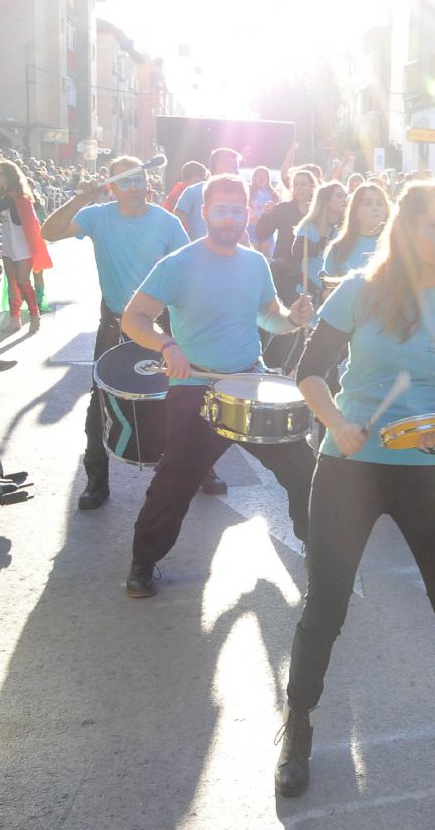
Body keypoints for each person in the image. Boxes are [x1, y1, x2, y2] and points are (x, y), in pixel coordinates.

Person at [274, 181, 435, 797]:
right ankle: (297, 722)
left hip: (424, 470)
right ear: (405, 231)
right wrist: (339, 425)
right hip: (349, 466)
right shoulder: (359, 291)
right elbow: (308, 370)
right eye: (433, 225)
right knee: (326, 604)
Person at [119, 175, 317, 598]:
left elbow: (269, 317)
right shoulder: (178, 264)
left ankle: (318, 550)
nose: (230, 218)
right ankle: (143, 561)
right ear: (205, 213)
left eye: (238, 210)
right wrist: (166, 343)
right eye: (221, 210)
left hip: (251, 380)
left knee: (304, 469)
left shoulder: (255, 262)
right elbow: (133, 319)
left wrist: (293, 320)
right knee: (174, 482)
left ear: (247, 213)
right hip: (197, 388)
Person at [39, 157, 194, 510]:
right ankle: (96, 477)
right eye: (126, 182)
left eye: (139, 179)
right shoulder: (97, 216)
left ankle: (197, 468)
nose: (136, 187)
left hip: (159, 322)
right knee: (100, 397)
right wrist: (83, 197)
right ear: (111, 188)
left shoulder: (167, 223)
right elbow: (48, 233)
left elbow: (189, 272)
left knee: (183, 393)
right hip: (113, 318)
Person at [0, 160, 52, 332]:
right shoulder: (4, 195)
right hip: (9, 246)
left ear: (10, 175)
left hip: (23, 247)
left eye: (0, 173)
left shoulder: (17, 196)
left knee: (23, 282)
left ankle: (34, 315)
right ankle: (15, 319)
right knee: (13, 283)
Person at [256, 168, 318, 303]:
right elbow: (261, 234)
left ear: (312, 187)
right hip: (282, 270)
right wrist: (266, 215)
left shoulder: (318, 213)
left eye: (303, 184)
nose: (299, 188)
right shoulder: (283, 209)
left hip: (310, 274)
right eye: (295, 184)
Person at [291, 181, 347, 299]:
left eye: (345, 196)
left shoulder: (347, 229)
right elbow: (296, 251)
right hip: (310, 293)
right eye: (339, 195)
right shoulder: (309, 226)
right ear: (326, 200)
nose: (344, 199)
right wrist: (317, 246)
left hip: (336, 293)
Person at [175, 148, 241, 241]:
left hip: (229, 253)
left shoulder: (238, 196)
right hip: (198, 254)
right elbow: (175, 224)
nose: (237, 172)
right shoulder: (193, 191)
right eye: (235, 167)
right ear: (221, 167)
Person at [323, 184, 390, 276]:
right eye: (368, 203)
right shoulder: (338, 248)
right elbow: (328, 288)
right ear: (355, 212)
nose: (375, 208)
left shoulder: (398, 245)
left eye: (380, 203)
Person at [248, 167, 280, 255]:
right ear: (254, 178)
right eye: (258, 175)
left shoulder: (273, 194)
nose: (261, 177)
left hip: (267, 229)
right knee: (254, 253)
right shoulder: (248, 191)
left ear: (268, 179)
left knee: (265, 254)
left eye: (264, 175)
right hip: (251, 228)